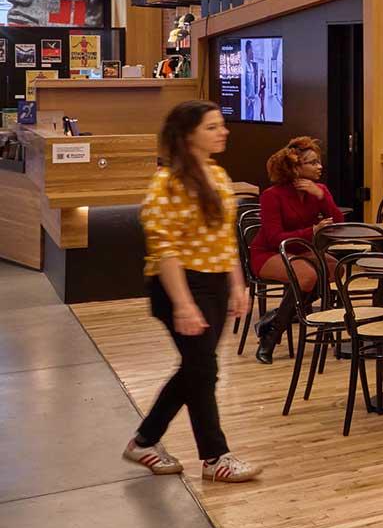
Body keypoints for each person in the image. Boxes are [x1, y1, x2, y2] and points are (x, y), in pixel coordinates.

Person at [123, 100, 263, 483]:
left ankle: (144, 441)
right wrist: (183, 304)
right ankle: (215, 457)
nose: (224, 132)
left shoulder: (217, 175)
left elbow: (224, 238)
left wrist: (238, 284)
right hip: (180, 285)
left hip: (215, 281)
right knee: (203, 369)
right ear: (188, 136)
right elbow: (164, 248)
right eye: (213, 127)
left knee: (197, 369)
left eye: (221, 125)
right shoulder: (166, 184)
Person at [250, 136, 344, 365]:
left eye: (318, 162)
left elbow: (339, 223)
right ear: (294, 167)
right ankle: (271, 339)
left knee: (336, 269)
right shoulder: (272, 195)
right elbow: (274, 238)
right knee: (308, 276)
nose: (319, 167)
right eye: (312, 163)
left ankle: (275, 318)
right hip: (268, 253)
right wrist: (311, 231)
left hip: (299, 251)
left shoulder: (319, 189)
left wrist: (321, 197)